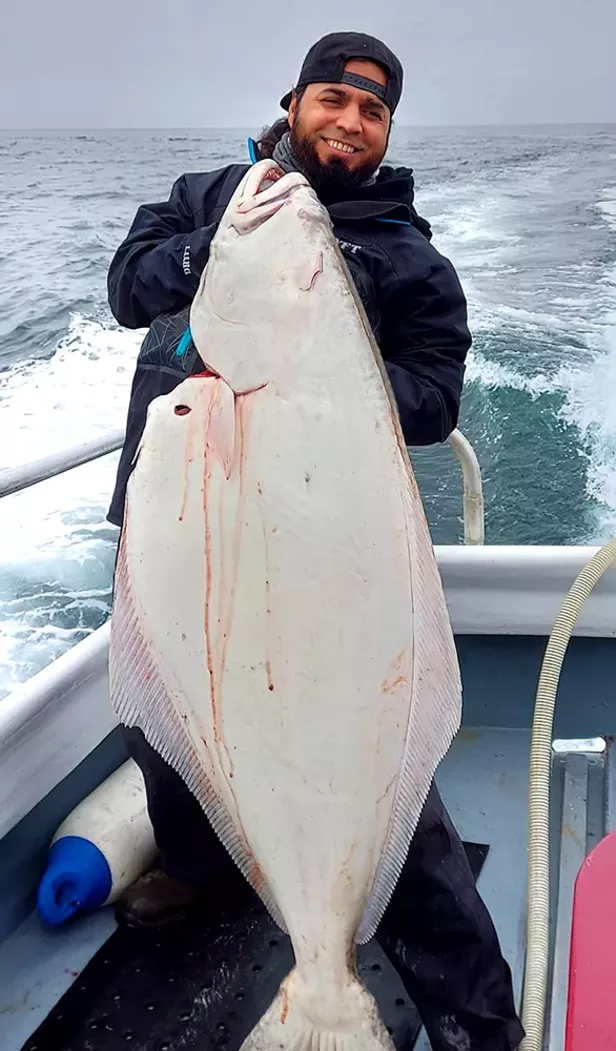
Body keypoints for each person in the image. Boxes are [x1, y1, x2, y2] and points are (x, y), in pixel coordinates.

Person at [105, 31, 524, 1051]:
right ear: (293, 100)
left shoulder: (409, 261)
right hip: (178, 531)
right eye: (333, 96)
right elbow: (129, 288)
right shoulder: (212, 198)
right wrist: (224, 256)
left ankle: (473, 1018)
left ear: (386, 133)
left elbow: (432, 401)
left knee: (379, 786)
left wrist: (324, 361)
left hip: (321, 553)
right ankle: (205, 870)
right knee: (171, 736)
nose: (347, 120)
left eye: (372, 111)